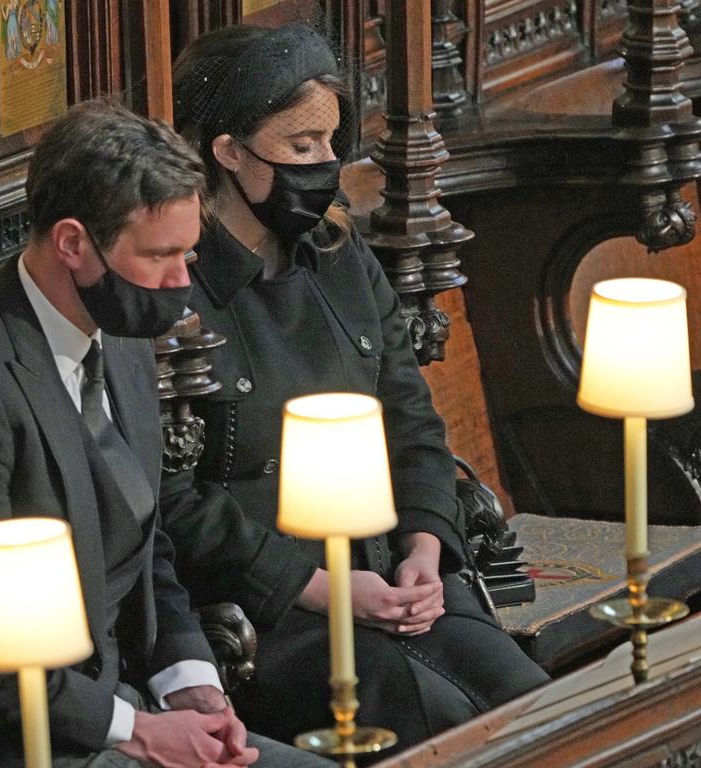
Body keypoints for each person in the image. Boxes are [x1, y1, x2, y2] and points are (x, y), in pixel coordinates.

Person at [0, 100, 335, 768]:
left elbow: (145, 539)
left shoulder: (121, 337)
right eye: (161, 256)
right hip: (41, 736)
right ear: (73, 244)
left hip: (132, 702)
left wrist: (194, 686)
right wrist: (137, 730)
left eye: (189, 254)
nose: (182, 285)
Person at [162, 23, 550, 749]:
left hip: (392, 577)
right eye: (300, 146)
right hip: (273, 609)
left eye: (332, 143)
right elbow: (176, 504)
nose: (326, 164)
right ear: (228, 152)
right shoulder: (176, 288)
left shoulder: (343, 258)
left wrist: (426, 550)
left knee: (529, 701)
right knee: (425, 711)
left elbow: (411, 423)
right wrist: (327, 591)